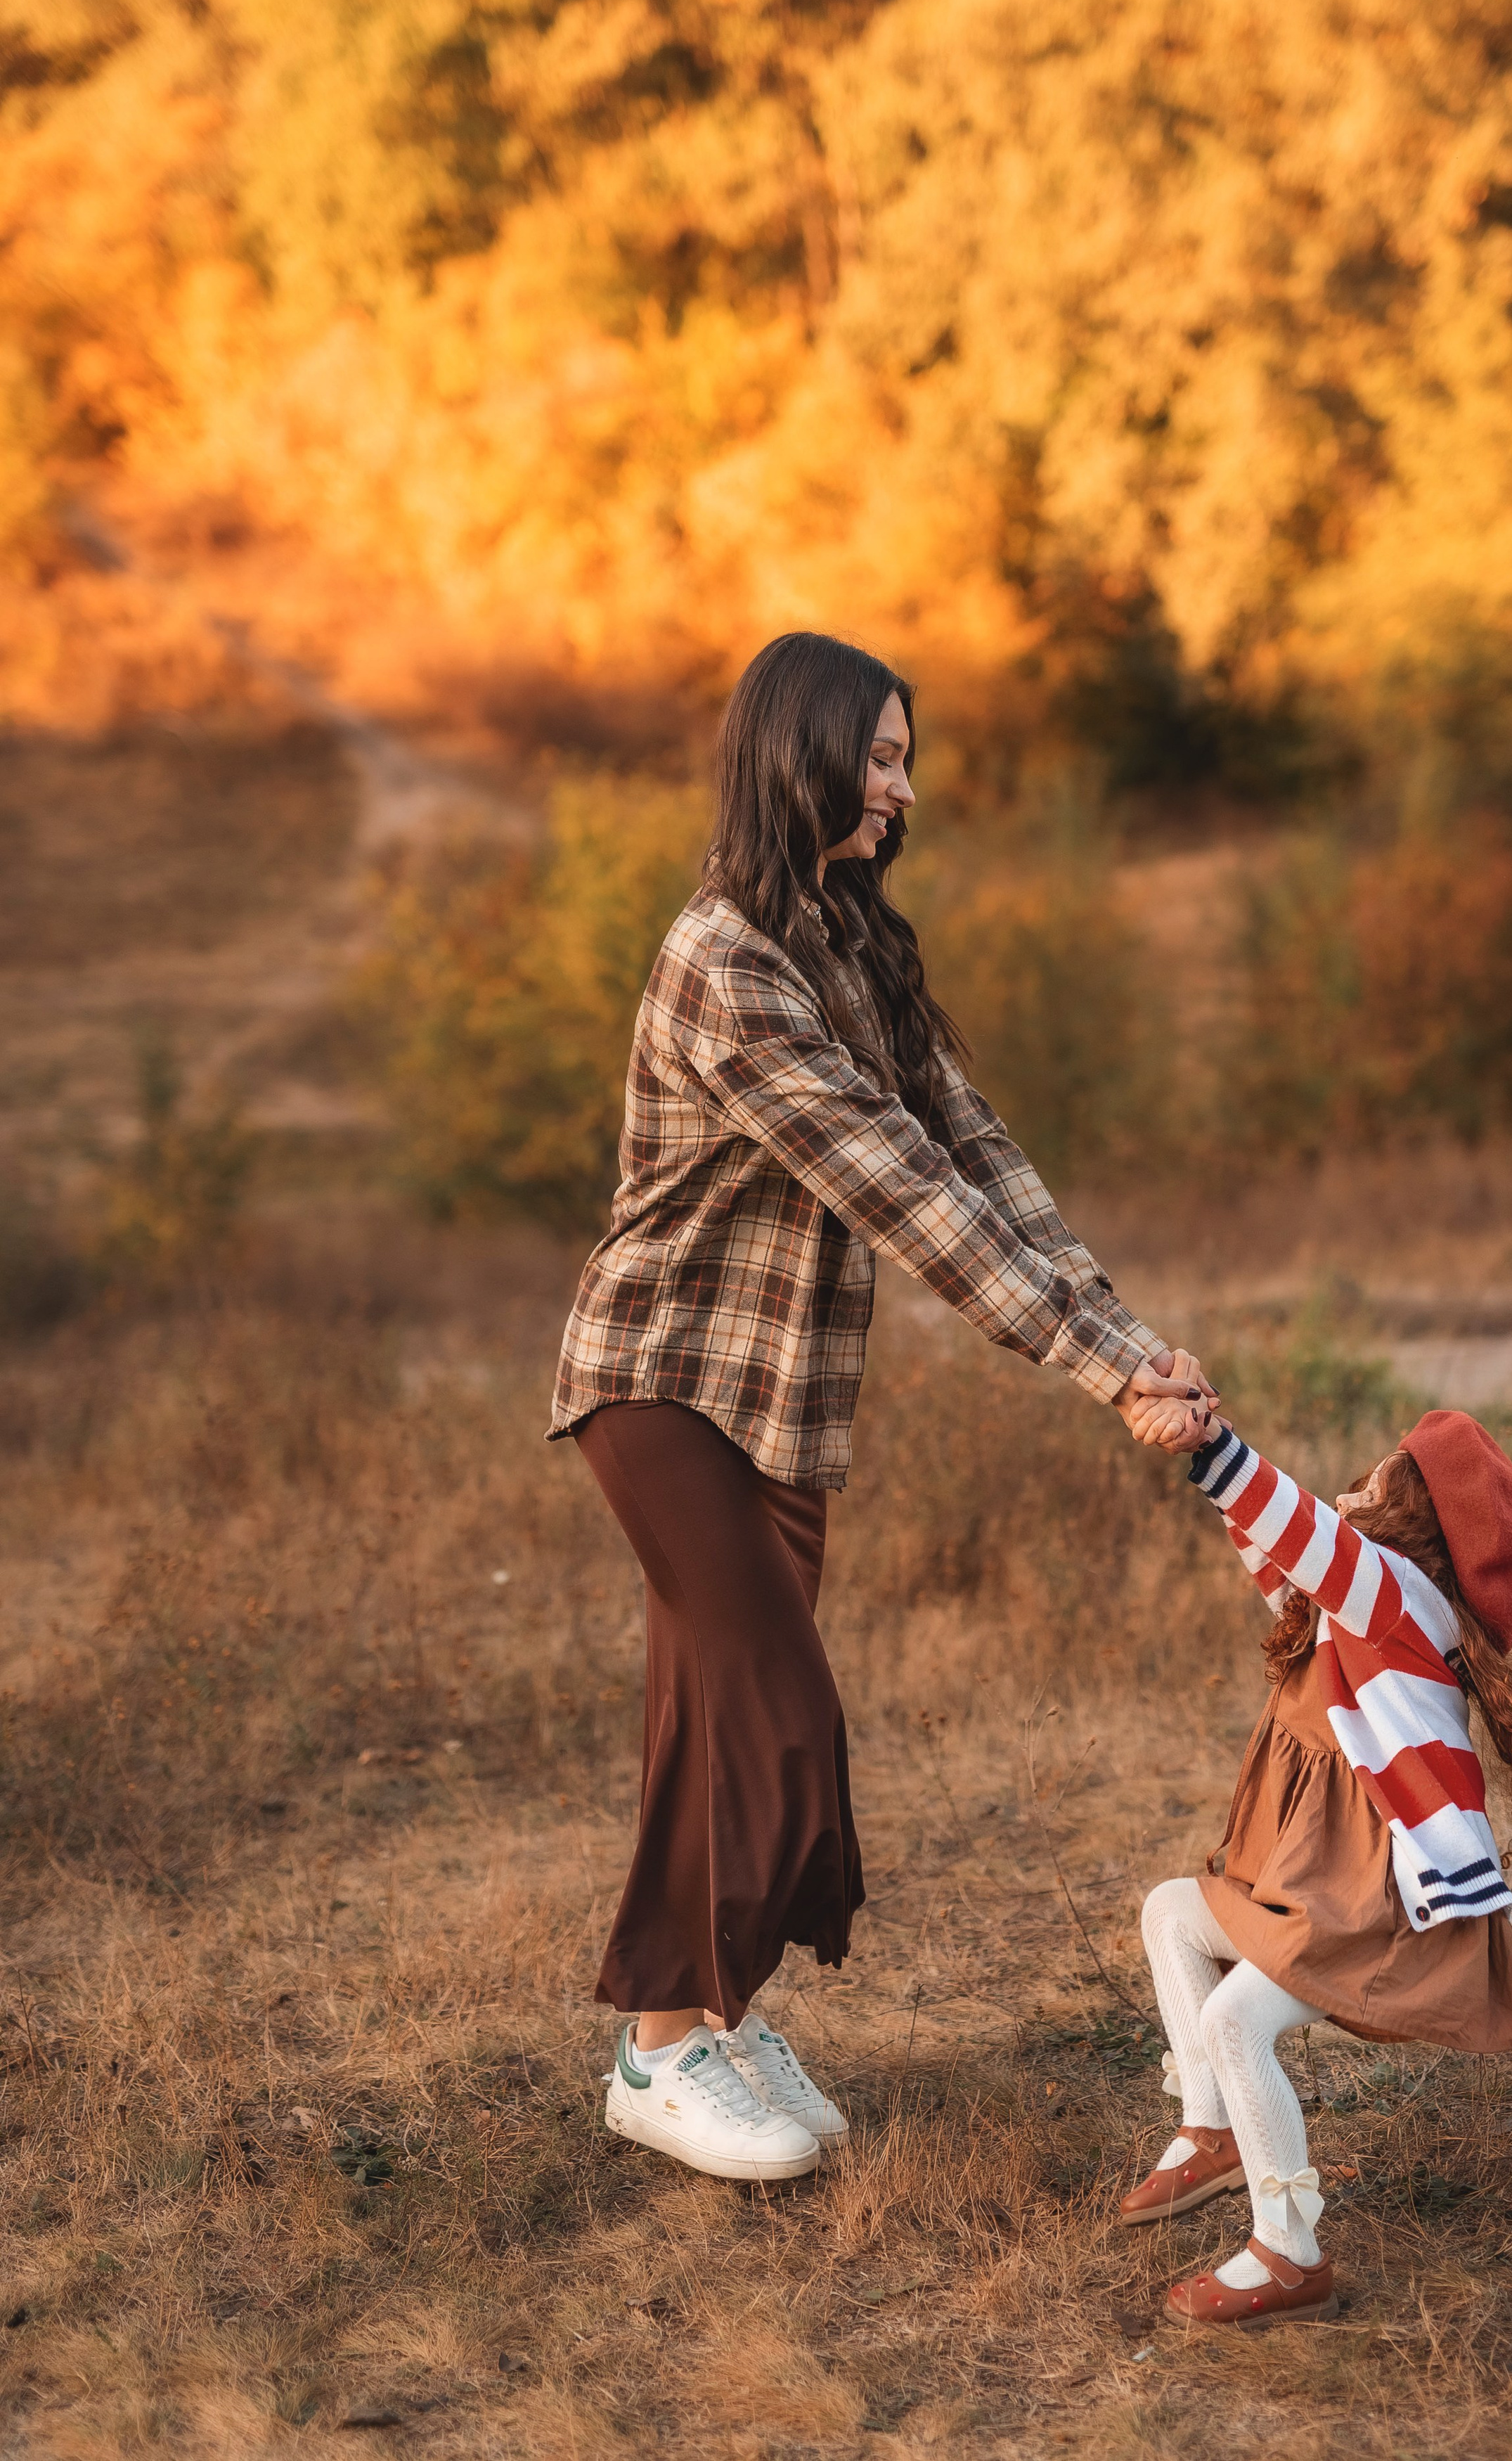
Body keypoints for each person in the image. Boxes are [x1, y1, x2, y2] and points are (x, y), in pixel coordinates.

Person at [550, 629, 1211, 2184]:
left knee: (709, 1721)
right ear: (801, 753)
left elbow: (976, 1154)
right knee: (776, 1717)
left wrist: (1129, 1335)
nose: (901, 791)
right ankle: (660, 2052)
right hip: (661, 1381)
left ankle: (697, 2021)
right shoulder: (725, 960)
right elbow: (900, 1190)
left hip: (776, 1402)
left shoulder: (853, 944)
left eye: (908, 763)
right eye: (882, 757)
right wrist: (1092, 1365)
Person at [1116, 1394, 1512, 2330]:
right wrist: (1208, 1434)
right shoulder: (1353, 1601)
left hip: (1383, 1899)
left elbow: (1304, 1533)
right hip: (1321, 1883)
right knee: (1170, 1911)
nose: (1351, 1491)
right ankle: (1209, 2128)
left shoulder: (1397, 1596)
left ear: (1410, 1520)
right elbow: (1276, 1553)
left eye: (1371, 1484)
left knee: (1238, 2018)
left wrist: (1216, 1445)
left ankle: (1288, 2252)